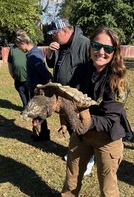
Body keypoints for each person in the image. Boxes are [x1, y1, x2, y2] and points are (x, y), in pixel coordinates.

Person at [61, 26, 133, 197]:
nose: (101, 52)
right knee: (70, 182)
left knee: (108, 189)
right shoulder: (80, 70)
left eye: (108, 48)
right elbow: (70, 96)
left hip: (107, 138)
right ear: (90, 46)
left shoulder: (118, 81)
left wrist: (83, 117)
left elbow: (109, 120)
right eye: (96, 46)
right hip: (81, 135)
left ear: (115, 52)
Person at [46, 18, 94, 176]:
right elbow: (53, 65)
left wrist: (83, 96)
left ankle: (89, 158)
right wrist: (50, 52)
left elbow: (94, 69)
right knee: (73, 125)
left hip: (78, 97)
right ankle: (76, 152)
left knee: (83, 126)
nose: (53, 37)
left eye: (54, 34)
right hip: (64, 96)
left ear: (64, 31)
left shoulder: (84, 44)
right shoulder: (60, 44)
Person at [15, 30, 52, 141]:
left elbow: (44, 72)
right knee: (39, 112)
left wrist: (46, 84)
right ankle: (43, 134)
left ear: (23, 43)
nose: (20, 50)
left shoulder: (33, 56)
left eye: (19, 47)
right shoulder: (36, 51)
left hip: (37, 90)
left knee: (36, 112)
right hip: (35, 87)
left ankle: (40, 134)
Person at [8, 29, 29, 112]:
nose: (18, 37)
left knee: (30, 93)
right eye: (17, 35)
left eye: (20, 35)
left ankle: (31, 109)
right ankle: (25, 107)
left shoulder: (28, 47)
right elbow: (10, 62)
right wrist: (11, 74)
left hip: (28, 77)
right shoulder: (12, 48)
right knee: (21, 92)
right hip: (17, 76)